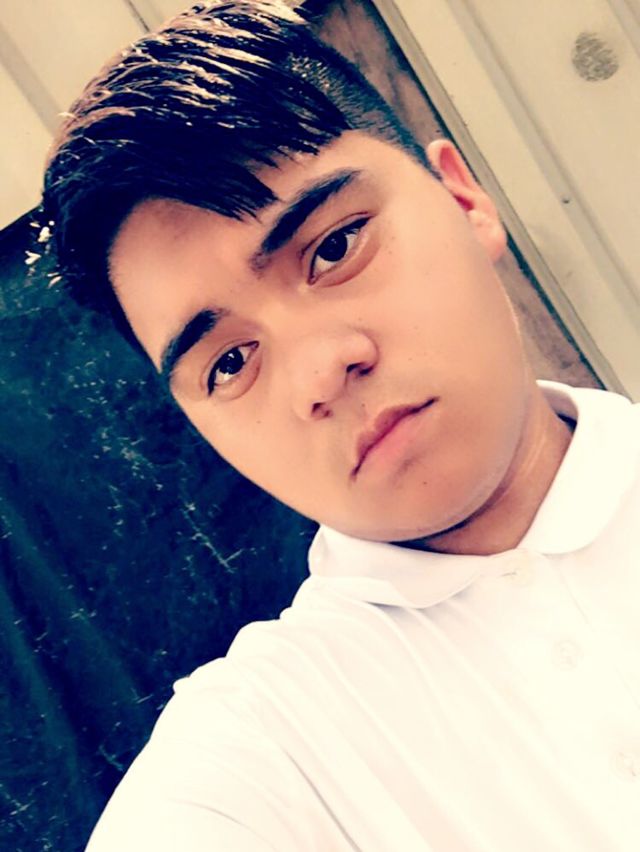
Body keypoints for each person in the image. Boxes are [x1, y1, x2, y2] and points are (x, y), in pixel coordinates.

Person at [41, 1, 640, 849]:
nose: (320, 372)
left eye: (333, 249)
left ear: (463, 198)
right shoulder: (271, 748)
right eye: (229, 363)